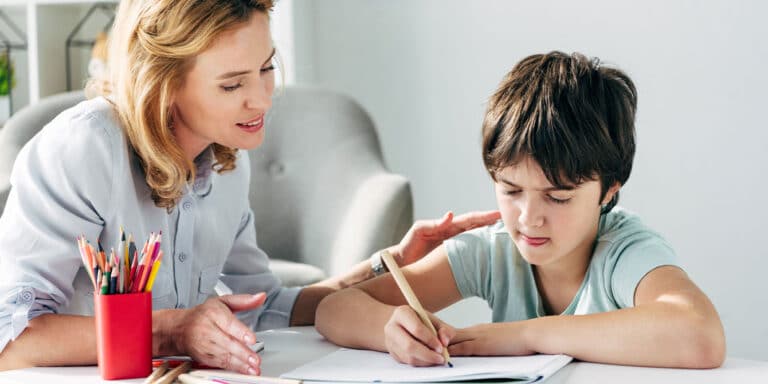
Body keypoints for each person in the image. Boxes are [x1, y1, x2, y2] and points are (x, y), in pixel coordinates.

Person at [0, 0, 501, 375]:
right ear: (165, 83)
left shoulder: (227, 164)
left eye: (266, 69)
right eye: (232, 84)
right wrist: (174, 328)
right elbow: (12, 340)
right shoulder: (82, 149)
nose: (262, 99)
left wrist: (387, 264)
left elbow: (261, 307)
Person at [316, 51, 726, 369]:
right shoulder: (493, 250)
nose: (529, 218)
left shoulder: (624, 251)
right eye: (510, 190)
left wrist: (526, 335)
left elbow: (700, 334)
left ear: (608, 191)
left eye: (558, 197)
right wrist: (389, 330)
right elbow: (335, 309)